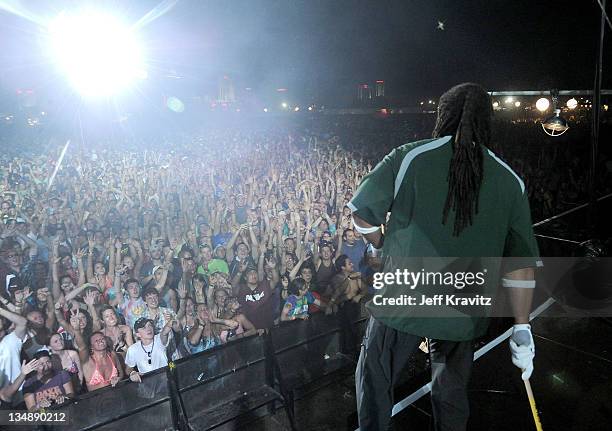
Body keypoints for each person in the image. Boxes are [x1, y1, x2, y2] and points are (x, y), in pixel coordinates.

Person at [349, 83, 540, 430]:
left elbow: (362, 214)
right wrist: (522, 327)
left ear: (443, 115)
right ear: (487, 123)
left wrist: (380, 243)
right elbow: (521, 265)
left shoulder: (409, 156)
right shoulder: (510, 181)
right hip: (464, 307)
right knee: (451, 392)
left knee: (375, 378)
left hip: (403, 298)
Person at [125, 317, 173, 382]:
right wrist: (132, 373)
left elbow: (165, 332)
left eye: (149, 325)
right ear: (138, 334)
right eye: (143, 328)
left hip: (165, 381)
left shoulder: (159, 339)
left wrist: (170, 323)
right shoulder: (133, 349)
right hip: (148, 385)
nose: (148, 329)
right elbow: (128, 369)